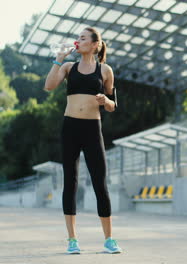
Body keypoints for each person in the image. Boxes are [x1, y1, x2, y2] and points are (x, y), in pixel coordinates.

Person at [44, 27, 122, 254]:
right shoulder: (69, 67)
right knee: (70, 182)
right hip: (70, 127)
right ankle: (72, 240)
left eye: (83, 38)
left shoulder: (105, 70)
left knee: (100, 183)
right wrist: (58, 60)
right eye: (77, 37)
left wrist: (104, 100)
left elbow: (113, 104)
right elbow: (49, 86)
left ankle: (109, 239)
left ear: (95, 44)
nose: (78, 41)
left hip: (92, 128)